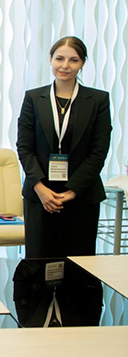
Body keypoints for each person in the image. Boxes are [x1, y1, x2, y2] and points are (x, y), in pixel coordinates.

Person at [17, 36, 112, 258]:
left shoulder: (98, 100)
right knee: (39, 265)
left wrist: (72, 191)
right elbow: (25, 147)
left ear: (82, 63)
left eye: (73, 60)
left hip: (82, 196)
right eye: (59, 58)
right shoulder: (34, 98)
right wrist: (40, 188)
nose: (65, 65)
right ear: (51, 59)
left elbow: (99, 151)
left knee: (78, 266)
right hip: (40, 196)